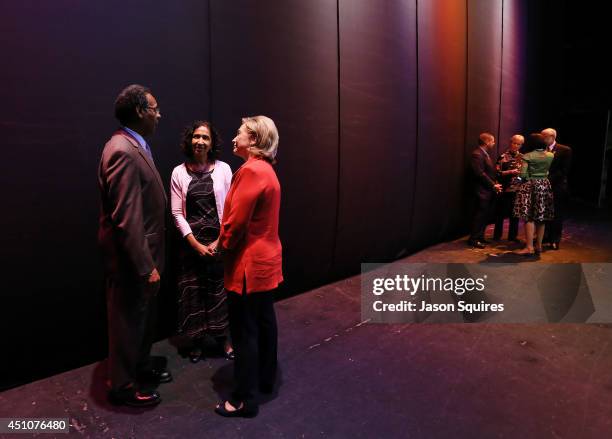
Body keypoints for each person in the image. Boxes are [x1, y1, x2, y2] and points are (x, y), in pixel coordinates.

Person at [98, 84, 171, 407]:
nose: (159, 114)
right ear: (140, 111)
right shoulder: (122, 151)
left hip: (146, 255)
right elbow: (126, 218)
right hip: (133, 261)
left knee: (142, 317)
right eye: (154, 108)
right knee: (127, 321)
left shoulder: (132, 145)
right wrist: (145, 266)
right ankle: (123, 387)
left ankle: (140, 366)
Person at [214, 116, 283, 418]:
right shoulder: (266, 170)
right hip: (265, 263)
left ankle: (243, 399)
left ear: (253, 140)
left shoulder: (250, 171)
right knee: (265, 323)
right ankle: (265, 381)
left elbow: (236, 223)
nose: (233, 137)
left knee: (245, 333)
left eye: (239, 133)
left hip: (247, 266)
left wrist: (221, 246)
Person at [170, 121, 234, 363]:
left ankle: (223, 340)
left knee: (219, 293)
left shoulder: (224, 169)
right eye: (196, 136)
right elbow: (177, 213)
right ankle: (196, 342)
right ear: (189, 140)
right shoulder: (178, 172)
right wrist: (195, 244)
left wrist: (219, 241)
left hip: (219, 242)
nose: (200, 141)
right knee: (193, 294)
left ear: (212, 143)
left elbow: (230, 208)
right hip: (191, 246)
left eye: (205, 138)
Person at [513, 133, 555, 255]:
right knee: (541, 217)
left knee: (529, 217)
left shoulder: (527, 156)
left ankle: (529, 247)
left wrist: (519, 180)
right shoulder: (550, 155)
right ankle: (539, 246)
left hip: (530, 185)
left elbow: (522, 175)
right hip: (544, 185)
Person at [468, 132, 502, 248]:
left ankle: (480, 237)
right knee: (479, 216)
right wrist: (493, 185)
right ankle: (473, 239)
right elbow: (480, 174)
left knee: (484, 215)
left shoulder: (485, 154)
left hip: (487, 190)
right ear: (487, 142)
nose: (494, 143)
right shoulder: (477, 154)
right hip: (481, 191)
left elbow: (488, 172)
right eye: (492, 141)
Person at [541, 128, 572, 250]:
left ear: (552, 137)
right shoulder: (541, 149)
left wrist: (547, 180)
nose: (542, 139)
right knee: (544, 213)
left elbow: (563, 171)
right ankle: (545, 236)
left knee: (556, 214)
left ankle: (555, 240)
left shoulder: (565, 150)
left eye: (544, 137)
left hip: (557, 187)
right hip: (543, 186)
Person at [493, 134, 524, 242]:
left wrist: (520, 178)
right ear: (510, 142)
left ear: (521, 145)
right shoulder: (503, 157)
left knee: (515, 215)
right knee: (500, 214)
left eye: (518, 144)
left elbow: (524, 175)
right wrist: (510, 172)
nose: (516, 145)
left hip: (517, 189)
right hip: (505, 189)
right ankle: (497, 236)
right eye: (514, 143)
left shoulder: (522, 157)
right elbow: (497, 173)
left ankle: (512, 236)